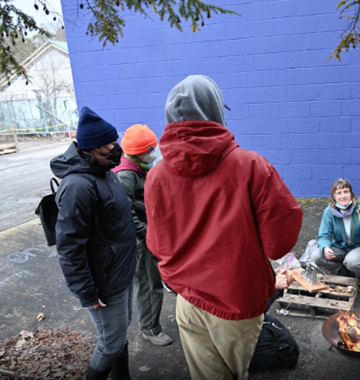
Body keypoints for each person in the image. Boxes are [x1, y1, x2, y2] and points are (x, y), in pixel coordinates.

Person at [144, 75, 303, 380]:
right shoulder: (251, 167)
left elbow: (157, 245)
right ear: (215, 113)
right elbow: (279, 243)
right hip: (236, 303)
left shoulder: (156, 176)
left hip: (188, 300)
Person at [51, 107, 136, 380]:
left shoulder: (104, 170)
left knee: (121, 332)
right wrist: (86, 291)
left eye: (114, 144)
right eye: (106, 149)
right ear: (88, 151)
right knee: (110, 342)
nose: (114, 152)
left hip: (120, 271)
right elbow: (69, 245)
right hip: (103, 281)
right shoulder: (77, 186)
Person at [112, 124, 173, 346]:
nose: (155, 152)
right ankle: (150, 329)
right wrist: (150, 235)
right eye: (151, 148)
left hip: (150, 236)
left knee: (156, 279)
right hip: (141, 242)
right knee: (148, 284)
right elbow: (127, 216)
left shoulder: (138, 167)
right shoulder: (126, 176)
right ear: (140, 151)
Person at [311, 178, 360, 278]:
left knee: (352, 262)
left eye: (346, 192)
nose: (343, 196)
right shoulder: (329, 212)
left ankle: (359, 275)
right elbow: (324, 235)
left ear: (351, 194)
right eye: (339, 193)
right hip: (341, 248)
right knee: (316, 256)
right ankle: (342, 270)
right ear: (334, 197)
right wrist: (325, 247)